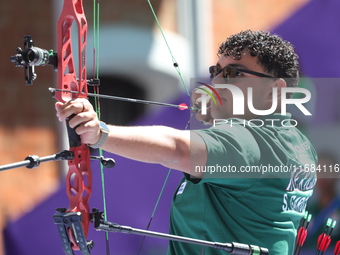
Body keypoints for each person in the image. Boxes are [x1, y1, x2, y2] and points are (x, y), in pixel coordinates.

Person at [55, 30, 317, 255]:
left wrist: (99, 133)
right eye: (217, 71)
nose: (216, 81)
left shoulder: (251, 142)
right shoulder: (299, 145)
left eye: (234, 73)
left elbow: (178, 149)